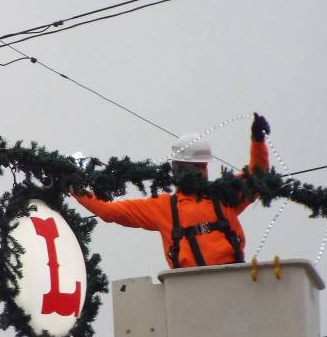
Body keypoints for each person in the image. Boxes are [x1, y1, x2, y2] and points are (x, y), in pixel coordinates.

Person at [72, 113, 270, 268]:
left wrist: (258, 141)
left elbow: (257, 178)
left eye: (204, 166)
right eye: (197, 166)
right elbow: (110, 211)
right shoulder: (164, 207)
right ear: (179, 168)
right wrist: (75, 186)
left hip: (232, 279)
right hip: (187, 287)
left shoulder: (224, 195)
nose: (202, 172)